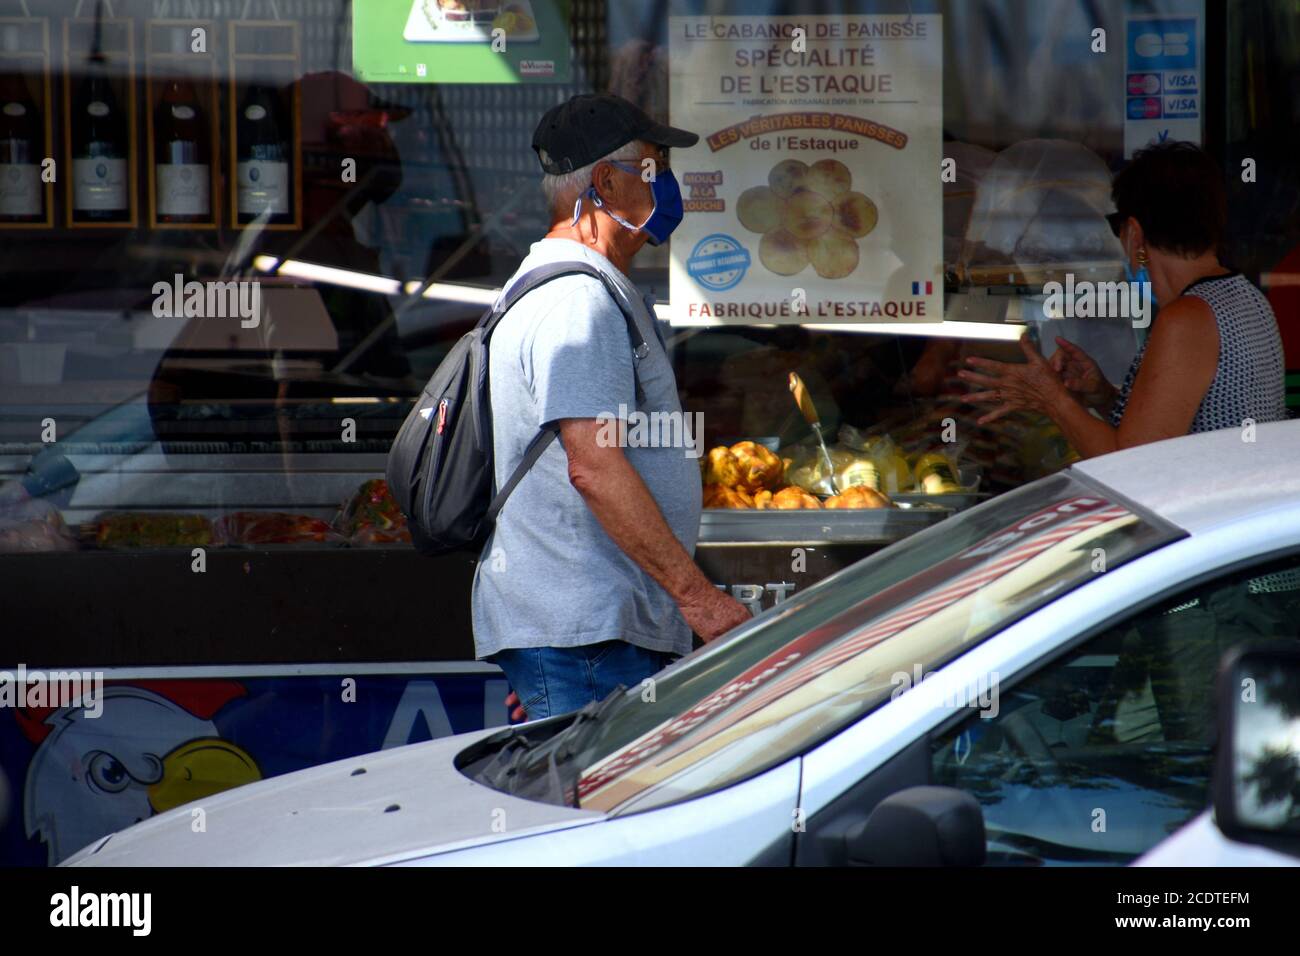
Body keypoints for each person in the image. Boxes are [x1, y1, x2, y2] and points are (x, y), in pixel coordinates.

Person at [472, 93, 750, 722]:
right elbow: (592, 466)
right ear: (604, 182)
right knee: (595, 816)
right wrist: (698, 601)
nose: (668, 185)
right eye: (654, 168)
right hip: (589, 638)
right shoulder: (578, 302)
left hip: (583, 636)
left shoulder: (571, 285)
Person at [958, 141, 1287, 457]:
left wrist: (1052, 398)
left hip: (1205, 510)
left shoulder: (1189, 318)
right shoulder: (1245, 298)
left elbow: (1136, 465)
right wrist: (1104, 396)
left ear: (1134, 233)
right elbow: (1167, 429)